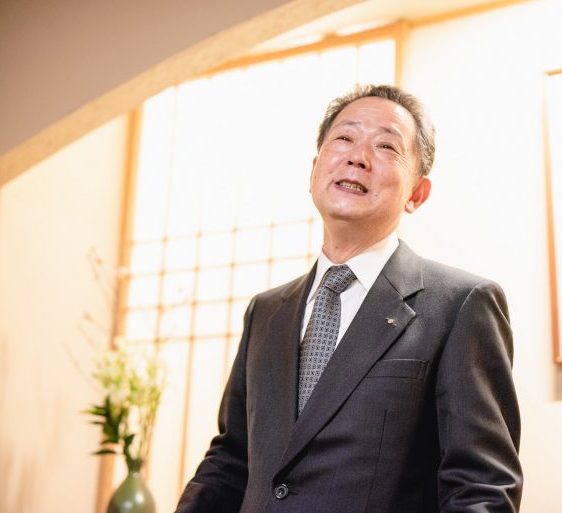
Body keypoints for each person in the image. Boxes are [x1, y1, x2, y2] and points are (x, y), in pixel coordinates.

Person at [174, 84, 522, 513]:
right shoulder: (265, 312)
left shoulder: (462, 305)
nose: (358, 156)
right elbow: (231, 462)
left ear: (417, 193)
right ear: (314, 170)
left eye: (386, 146)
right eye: (344, 138)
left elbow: (481, 488)